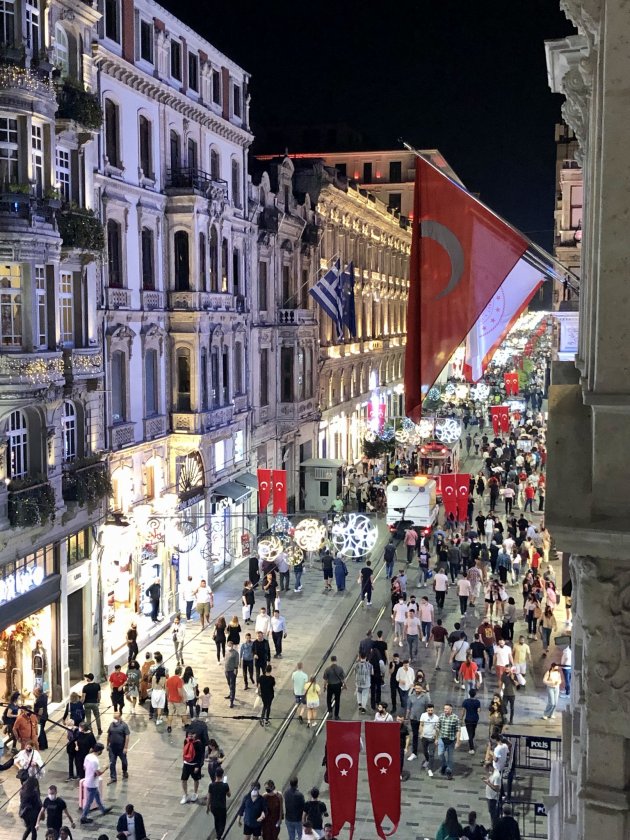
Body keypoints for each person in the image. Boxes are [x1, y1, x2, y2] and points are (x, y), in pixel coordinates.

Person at [80, 743, 112, 825]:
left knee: (97, 796)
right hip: (92, 783)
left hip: (87, 780)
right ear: (99, 751)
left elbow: (84, 767)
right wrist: (106, 768)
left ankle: (103, 809)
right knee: (89, 802)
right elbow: (98, 773)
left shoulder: (88, 756)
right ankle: (83, 817)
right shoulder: (95, 760)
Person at [436, 702, 461, 780]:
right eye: (444, 709)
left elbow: (458, 730)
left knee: (450, 757)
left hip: (451, 740)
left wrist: (458, 741)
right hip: (442, 738)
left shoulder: (455, 718)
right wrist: (436, 738)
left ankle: (449, 771)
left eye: (447, 709)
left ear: (451, 709)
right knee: (440, 754)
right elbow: (437, 728)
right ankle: (444, 764)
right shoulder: (441, 716)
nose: (445, 710)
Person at [180, 729, 204, 804]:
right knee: (184, 779)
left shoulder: (198, 743)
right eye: (189, 735)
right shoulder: (186, 741)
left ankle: (195, 793)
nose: (190, 736)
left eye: (192, 735)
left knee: (196, 779)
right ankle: (185, 794)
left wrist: (198, 766)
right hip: (186, 763)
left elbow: (200, 755)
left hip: (194, 765)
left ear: (195, 735)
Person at [207, 767, 231, 840]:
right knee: (222, 823)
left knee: (216, 820)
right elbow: (229, 795)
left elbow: (209, 797)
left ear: (215, 774)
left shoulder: (211, 785)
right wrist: (226, 785)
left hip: (213, 807)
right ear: (222, 775)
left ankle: (218, 835)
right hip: (222, 807)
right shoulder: (225, 785)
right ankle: (218, 837)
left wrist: (208, 807)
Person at [106, 712, 130, 783]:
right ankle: (113, 777)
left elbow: (127, 736)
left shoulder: (124, 725)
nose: (114, 719)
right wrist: (107, 744)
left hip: (121, 748)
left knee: (124, 761)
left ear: (119, 717)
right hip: (112, 748)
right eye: (114, 718)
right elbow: (108, 734)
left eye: (116, 718)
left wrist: (125, 747)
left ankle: (124, 771)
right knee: (112, 763)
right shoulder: (111, 725)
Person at [20, 770, 42, 840]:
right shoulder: (34, 793)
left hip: (25, 812)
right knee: (33, 830)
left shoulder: (22, 791)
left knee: (29, 827)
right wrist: (41, 811)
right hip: (33, 812)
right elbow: (38, 802)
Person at [322, 656, 345, 721]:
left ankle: (330, 711)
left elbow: (325, 679)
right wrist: (344, 685)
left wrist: (324, 686)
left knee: (328, 699)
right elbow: (343, 678)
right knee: (337, 700)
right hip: (338, 686)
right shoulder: (340, 668)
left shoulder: (327, 669)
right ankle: (336, 715)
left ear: (331, 660)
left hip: (330, 685)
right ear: (336, 660)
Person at [166, 665, 186, 733]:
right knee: (183, 713)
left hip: (170, 699)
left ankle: (169, 727)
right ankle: (186, 725)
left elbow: (167, 690)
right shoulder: (179, 680)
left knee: (170, 713)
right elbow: (179, 691)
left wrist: (167, 697)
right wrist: (182, 698)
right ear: (180, 673)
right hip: (178, 700)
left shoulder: (169, 679)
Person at [483, 761, 502, 827]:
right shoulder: (492, 772)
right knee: (491, 812)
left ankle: (494, 827)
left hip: (493, 798)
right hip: (489, 797)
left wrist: (488, 783)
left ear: (490, 767)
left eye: (487, 769)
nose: (486, 771)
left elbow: (497, 789)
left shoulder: (496, 776)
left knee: (493, 815)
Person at [462, 689, 481, 754]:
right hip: (475, 719)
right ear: (475, 694)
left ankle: (471, 747)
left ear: (469, 694)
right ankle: (471, 742)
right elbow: (478, 710)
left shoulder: (465, 701)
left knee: (469, 732)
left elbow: (463, 711)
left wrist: (461, 718)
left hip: (468, 719)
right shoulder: (477, 702)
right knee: (473, 731)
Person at [223, 641, 240, 708]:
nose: (228, 646)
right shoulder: (227, 652)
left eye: (230, 645)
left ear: (232, 645)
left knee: (232, 685)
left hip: (232, 671)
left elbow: (237, 662)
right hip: (227, 670)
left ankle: (231, 701)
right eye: (228, 645)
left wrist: (235, 669)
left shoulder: (235, 653)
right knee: (229, 684)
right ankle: (231, 694)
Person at [33, 686, 49, 750]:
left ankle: (42, 745)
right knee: (42, 730)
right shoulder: (44, 696)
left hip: (41, 717)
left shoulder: (39, 700)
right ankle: (45, 744)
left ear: (37, 692)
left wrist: (38, 719)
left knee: (40, 731)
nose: (34, 692)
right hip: (45, 715)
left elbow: (40, 710)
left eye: (35, 691)